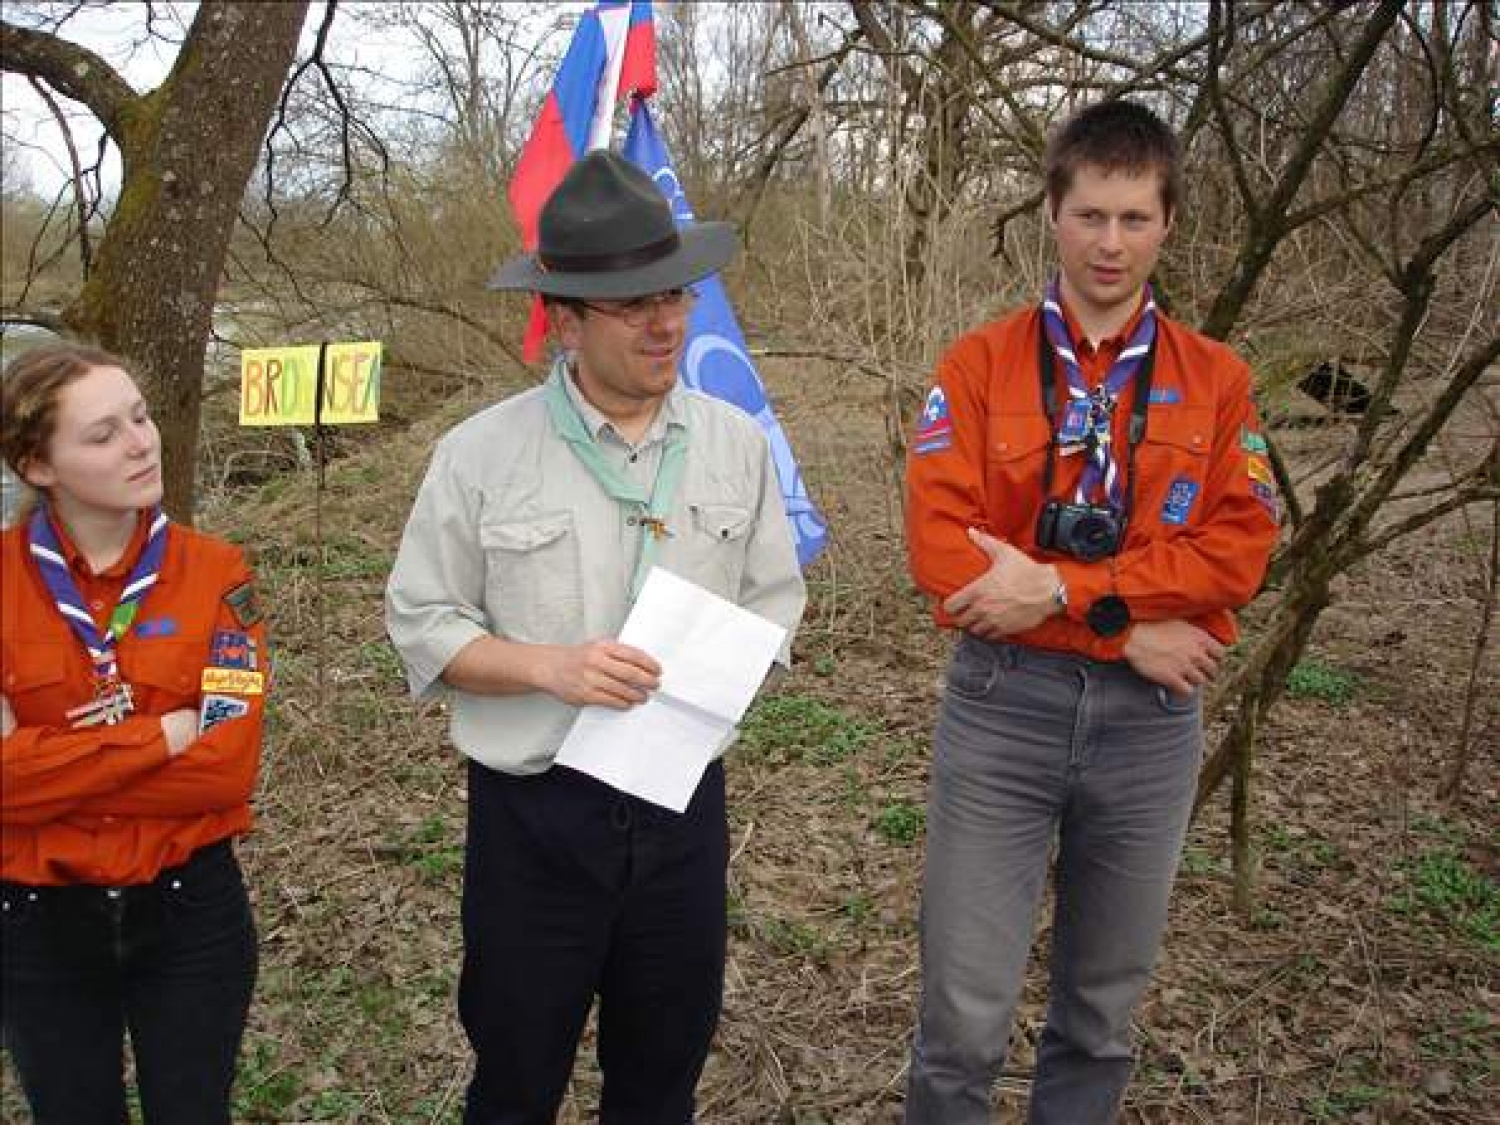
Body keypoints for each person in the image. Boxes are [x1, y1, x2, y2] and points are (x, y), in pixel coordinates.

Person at [384, 149, 806, 1125]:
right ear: (564, 319)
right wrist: (549, 668)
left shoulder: (736, 445)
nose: (666, 322)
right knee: (516, 1077)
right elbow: (421, 619)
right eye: (632, 304)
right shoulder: (480, 455)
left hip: (682, 812)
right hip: (535, 819)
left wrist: (720, 668)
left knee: (662, 1077)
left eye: (675, 294)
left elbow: (774, 597)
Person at [902, 100, 1280, 1124]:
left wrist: (1068, 593)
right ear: (1052, 215)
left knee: (1102, 1015)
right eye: (1090, 216)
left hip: (1147, 733)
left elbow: (1240, 552)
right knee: (963, 1018)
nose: (1111, 244)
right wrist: (1126, 622)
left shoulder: (1217, 381)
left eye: (1135, 218)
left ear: (1168, 224)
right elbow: (948, 561)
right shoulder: (977, 368)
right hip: (1003, 713)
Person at [0, 343, 266, 1124]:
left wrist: (42, 760)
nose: (141, 440)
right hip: (38, 923)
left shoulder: (218, 573)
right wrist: (159, 736)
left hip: (191, 913)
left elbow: (225, 766)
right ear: (36, 463)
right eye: (103, 432)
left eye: (141, 417)